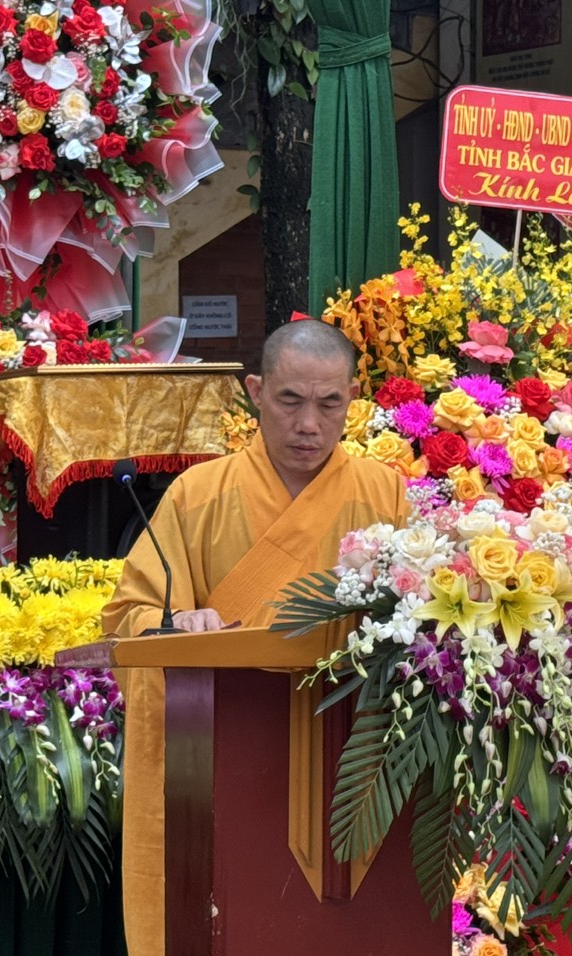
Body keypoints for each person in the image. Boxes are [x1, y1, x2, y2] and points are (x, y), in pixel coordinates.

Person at [101, 319, 408, 955]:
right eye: (290, 400)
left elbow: (421, 621)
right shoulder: (198, 495)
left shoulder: (385, 494)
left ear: (353, 399)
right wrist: (176, 626)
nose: (308, 425)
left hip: (344, 760)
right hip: (220, 753)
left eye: (329, 405)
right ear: (255, 392)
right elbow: (133, 612)